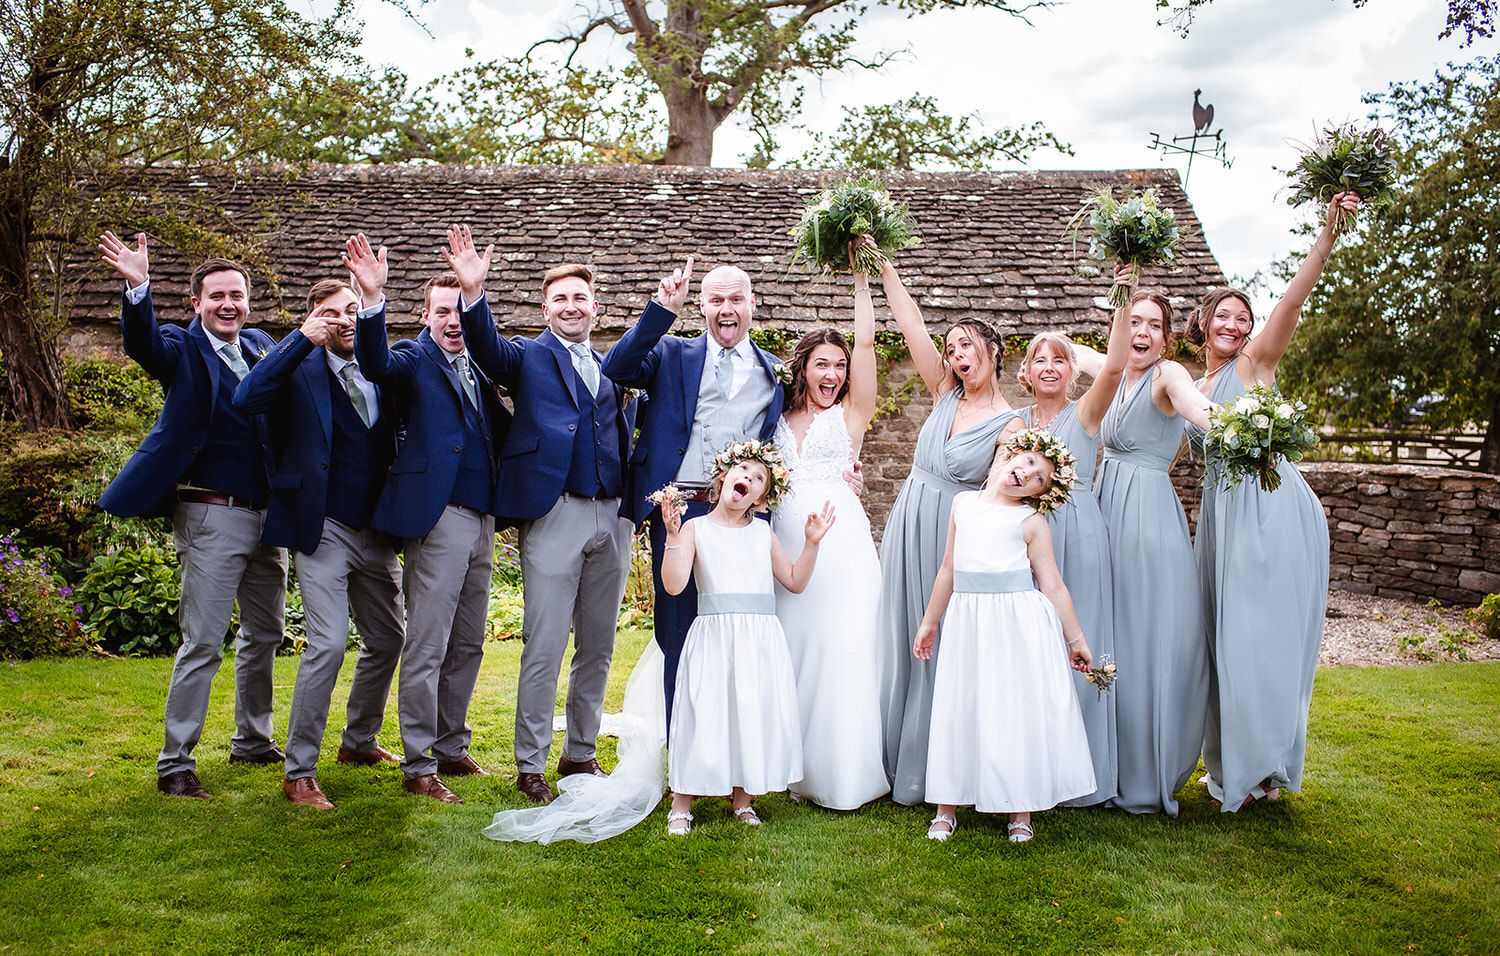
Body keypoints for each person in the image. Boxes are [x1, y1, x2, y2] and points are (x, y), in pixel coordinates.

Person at [449, 224, 636, 806]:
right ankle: (530, 764)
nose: (571, 306)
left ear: (595, 306)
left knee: (599, 645)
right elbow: (486, 348)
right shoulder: (527, 358)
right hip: (554, 514)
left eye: (580, 297)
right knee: (546, 643)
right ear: (545, 307)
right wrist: (473, 293)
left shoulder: (613, 366)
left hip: (614, 514)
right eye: (560, 298)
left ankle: (580, 754)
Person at [98, 231, 287, 801]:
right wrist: (137, 285)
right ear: (196, 303)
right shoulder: (181, 347)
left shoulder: (259, 344)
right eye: (217, 297)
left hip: (267, 518)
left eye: (237, 295)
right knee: (204, 640)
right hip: (210, 515)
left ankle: (252, 739)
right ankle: (175, 760)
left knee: (267, 632)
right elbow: (143, 345)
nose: (229, 305)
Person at [1188, 193, 1359, 811]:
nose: (1235, 326)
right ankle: (1231, 759)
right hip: (1219, 518)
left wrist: (1327, 234)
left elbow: (1292, 301)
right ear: (1203, 321)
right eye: (1224, 316)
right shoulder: (1188, 384)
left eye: (1243, 316)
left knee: (1258, 637)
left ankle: (1262, 766)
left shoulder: (1256, 363)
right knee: (1220, 639)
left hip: (1268, 508)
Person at [347, 233, 511, 804]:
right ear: (425, 316)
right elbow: (374, 362)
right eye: (442, 312)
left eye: (458, 311)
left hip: (484, 518)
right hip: (437, 518)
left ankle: (450, 744)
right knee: (428, 644)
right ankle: (418, 765)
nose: (453, 322)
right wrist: (371, 299)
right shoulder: (413, 361)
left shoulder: (481, 369)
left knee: (468, 642)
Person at [232, 277, 405, 809]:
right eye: (330, 313)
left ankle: (358, 742)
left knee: (390, 637)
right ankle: (299, 770)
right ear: (313, 319)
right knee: (328, 643)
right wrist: (300, 339)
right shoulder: (296, 368)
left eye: (351, 310)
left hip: (377, 531)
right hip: (321, 527)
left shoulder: (383, 366)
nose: (343, 320)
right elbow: (247, 396)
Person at [599, 258, 786, 723]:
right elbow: (617, 368)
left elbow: (806, 426)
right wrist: (662, 309)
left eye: (736, 299)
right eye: (716, 299)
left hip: (745, 522)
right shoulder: (670, 353)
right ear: (701, 305)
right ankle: (681, 755)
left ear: (752, 304)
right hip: (678, 515)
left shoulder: (777, 372)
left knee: (737, 635)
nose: (727, 309)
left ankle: (730, 755)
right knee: (677, 633)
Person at [872, 250, 1021, 806]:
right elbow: (909, 321)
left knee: (940, 644)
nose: (958, 357)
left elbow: (998, 495)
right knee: (898, 634)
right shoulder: (942, 392)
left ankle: (937, 767)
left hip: (952, 533)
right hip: (908, 521)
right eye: (952, 348)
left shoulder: (1012, 422)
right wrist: (881, 264)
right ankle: (891, 757)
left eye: (968, 346)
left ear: (994, 352)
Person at [915, 431, 1095, 843]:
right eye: (1029, 462)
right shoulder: (963, 504)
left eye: (1040, 479)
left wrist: (1076, 639)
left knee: (1016, 711)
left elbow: (1052, 586)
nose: (1028, 474)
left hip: (1016, 624)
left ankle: (1020, 811)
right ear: (1013, 454)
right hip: (968, 621)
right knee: (961, 705)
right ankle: (946, 807)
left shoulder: (1030, 523)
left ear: (1040, 495)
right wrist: (930, 621)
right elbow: (948, 569)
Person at [658, 441, 835, 835]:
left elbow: (794, 580)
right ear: (724, 477)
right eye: (744, 471)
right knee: (703, 711)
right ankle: (682, 801)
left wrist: (811, 544)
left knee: (748, 712)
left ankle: (743, 799)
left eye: (759, 479)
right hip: (714, 636)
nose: (749, 480)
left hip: (758, 639)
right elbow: (673, 586)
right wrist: (671, 535)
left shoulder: (762, 533)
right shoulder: (695, 528)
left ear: (760, 497)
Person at [1012, 265, 1136, 807]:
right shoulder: (1014, 423)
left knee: (1078, 638)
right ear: (1026, 370)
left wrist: (1122, 299)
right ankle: (1036, 764)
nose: (1050, 366)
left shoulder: (1086, 415)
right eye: (1040, 357)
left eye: (1060, 358)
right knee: (1032, 644)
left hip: (1080, 533)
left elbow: (1113, 367)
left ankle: (1085, 773)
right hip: (1026, 538)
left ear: (1070, 371)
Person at [770, 244, 888, 810]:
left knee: (841, 646)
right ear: (804, 368)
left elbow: (866, 343)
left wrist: (863, 282)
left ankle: (841, 773)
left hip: (840, 544)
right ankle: (785, 766)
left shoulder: (852, 413)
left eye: (839, 366)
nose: (834, 374)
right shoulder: (777, 414)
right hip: (786, 543)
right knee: (793, 648)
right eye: (824, 364)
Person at [1094, 289, 1213, 817]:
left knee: (1144, 635)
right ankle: (1104, 760)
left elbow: (1195, 407)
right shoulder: (1118, 374)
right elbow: (1072, 356)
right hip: (1105, 508)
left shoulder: (1169, 377)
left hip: (1145, 518)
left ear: (1167, 337)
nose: (1141, 332)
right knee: (1108, 628)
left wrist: (1240, 429)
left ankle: (1145, 771)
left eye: (1152, 325)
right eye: (1133, 322)